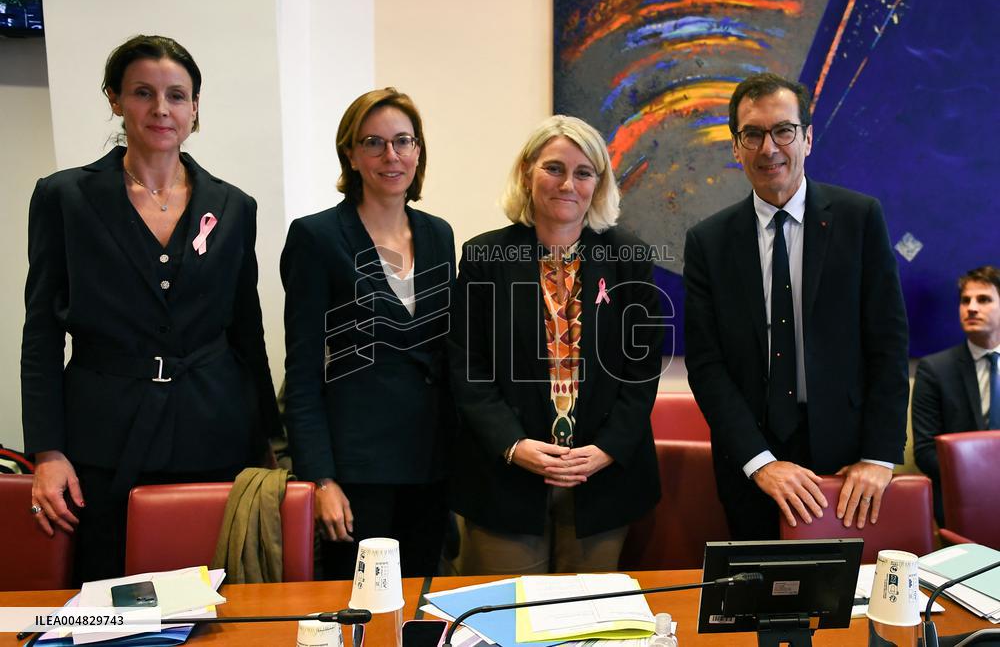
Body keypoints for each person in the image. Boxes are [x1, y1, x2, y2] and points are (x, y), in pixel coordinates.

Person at [21, 35, 280, 582]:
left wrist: (267, 442)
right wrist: (46, 451)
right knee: (110, 592)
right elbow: (41, 333)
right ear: (115, 99)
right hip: (103, 434)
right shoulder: (64, 198)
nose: (161, 109)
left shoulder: (234, 206)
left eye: (177, 96)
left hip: (215, 429)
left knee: (218, 591)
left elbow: (247, 331)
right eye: (143, 92)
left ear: (195, 109)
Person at [683, 72, 909, 540]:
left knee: (843, 607)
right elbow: (707, 366)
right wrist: (760, 462)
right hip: (751, 463)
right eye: (752, 134)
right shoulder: (708, 242)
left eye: (783, 130)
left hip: (847, 467)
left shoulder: (860, 219)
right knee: (758, 601)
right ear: (735, 147)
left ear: (807, 138)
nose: (769, 148)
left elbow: (888, 343)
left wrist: (878, 456)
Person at [448, 115, 663, 574]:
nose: (568, 184)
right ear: (527, 172)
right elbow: (467, 368)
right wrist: (512, 444)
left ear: (598, 183)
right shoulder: (484, 258)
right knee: (505, 623)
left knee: (587, 629)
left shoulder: (631, 259)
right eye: (554, 168)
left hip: (601, 480)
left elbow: (641, 373)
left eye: (583, 172)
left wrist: (607, 449)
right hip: (504, 478)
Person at [281, 88, 455, 580]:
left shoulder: (439, 234)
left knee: (421, 609)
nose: (391, 155)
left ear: (418, 152)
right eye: (373, 143)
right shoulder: (315, 238)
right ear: (351, 154)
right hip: (356, 471)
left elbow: (447, 351)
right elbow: (302, 370)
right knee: (358, 613)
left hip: (431, 464)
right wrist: (320, 478)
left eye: (403, 141)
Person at [913, 265, 1000, 523]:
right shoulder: (935, 369)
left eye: (983, 299)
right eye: (965, 301)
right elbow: (926, 451)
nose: (971, 307)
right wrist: (981, 480)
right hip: (959, 499)